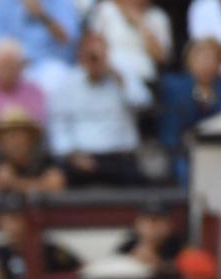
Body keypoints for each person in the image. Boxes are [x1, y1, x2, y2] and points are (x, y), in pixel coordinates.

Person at [48, 31, 150, 187]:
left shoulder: (123, 75)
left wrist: (116, 75)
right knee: (57, 178)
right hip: (80, 157)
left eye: (99, 54)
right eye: (90, 55)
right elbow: (58, 125)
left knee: (141, 182)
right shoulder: (67, 83)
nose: (94, 60)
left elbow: (142, 103)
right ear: (80, 56)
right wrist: (72, 156)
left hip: (119, 156)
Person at [157, 36, 221, 182]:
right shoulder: (175, 86)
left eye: (210, 58)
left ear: (220, 63)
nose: (205, 63)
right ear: (189, 61)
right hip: (185, 151)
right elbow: (172, 124)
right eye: (200, 57)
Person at [0, 0, 79, 94]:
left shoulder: (61, 2)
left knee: (57, 78)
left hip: (47, 64)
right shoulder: (3, 3)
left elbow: (68, 39)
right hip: (12, 64)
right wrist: (15, 61)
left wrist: (42, 15)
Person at [0, 106, 65, 195]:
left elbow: (55, 184)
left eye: (20, 135)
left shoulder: (44, 160)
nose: (15, 141)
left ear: (31, 139)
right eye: (9, 135)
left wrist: (13, 182)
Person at [86, 0, 171, 88]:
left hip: (143, 80)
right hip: (108, 76)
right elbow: (93, 44)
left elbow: (161, 57)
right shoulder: (107, 9)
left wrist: (140, 23)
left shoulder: (158, 17)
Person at [116, 199, 183, 270]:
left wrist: (160, 264)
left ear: (170, 224)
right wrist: (132, 258)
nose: (153, 226)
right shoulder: (129, 245)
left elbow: (186, 268)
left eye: (159, 220)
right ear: (137, 223)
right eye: (147, 220)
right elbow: (114, 266)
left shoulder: (180, 247)